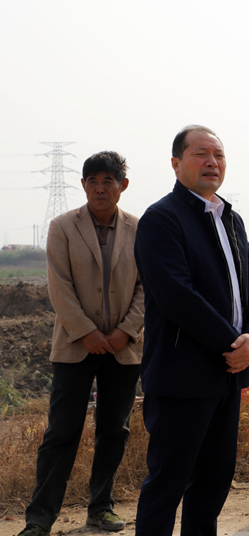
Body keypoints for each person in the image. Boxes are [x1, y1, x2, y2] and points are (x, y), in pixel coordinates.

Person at [133, 125, 249, 536]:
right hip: (181, 375)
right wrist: (234, 343)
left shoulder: (232, 219)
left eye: (219, 155)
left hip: (227, 374)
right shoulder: (162, 219)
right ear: (176, 164)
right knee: (167, 483)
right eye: (200, 154)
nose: (212, 162)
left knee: (213, 482)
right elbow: (177, 295)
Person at [18, 152, 144, 536]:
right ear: (84, 185)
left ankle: (100, 508)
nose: (100, 188)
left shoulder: (139, 228)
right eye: (93, 181)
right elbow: (59, 286)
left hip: (123, 348)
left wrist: (126, 330)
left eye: (108, 180)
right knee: (61, 432)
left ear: (123, 185)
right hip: (75, 346)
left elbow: (148, 287)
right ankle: (39, 519)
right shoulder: (63, 226)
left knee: (114, 429)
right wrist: (86, 332)